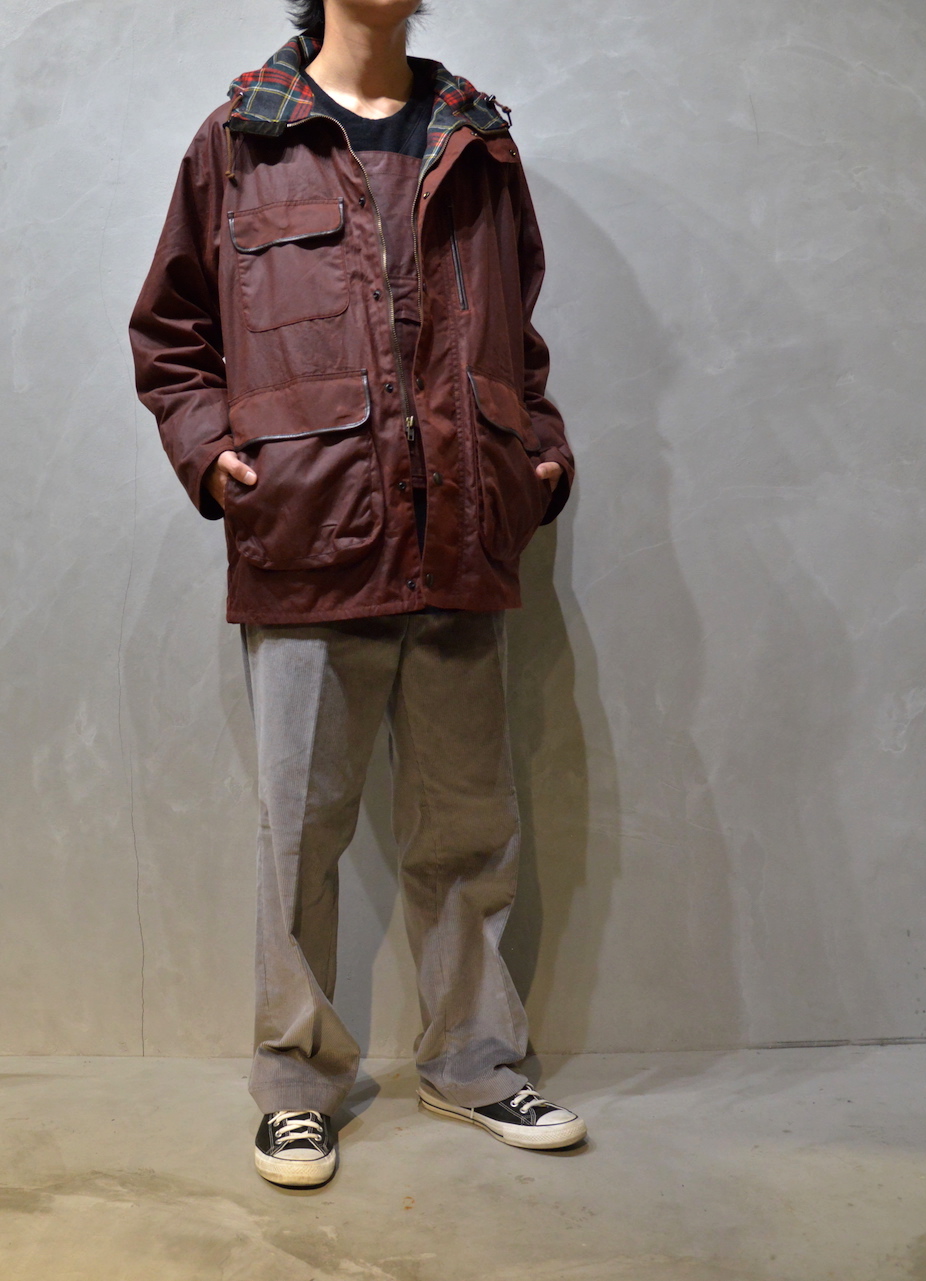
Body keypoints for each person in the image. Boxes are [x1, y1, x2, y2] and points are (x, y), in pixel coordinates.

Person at [128, 0, 583, 1188]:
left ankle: (475, 1063)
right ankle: (296, 1084)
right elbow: (172, 333)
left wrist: (538, 454)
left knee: (468, 835)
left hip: (464, 532)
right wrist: (207, 452)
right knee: (301, 841)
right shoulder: (243, 137)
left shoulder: (477, 142)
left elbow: (517, 337)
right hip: (310, 538)